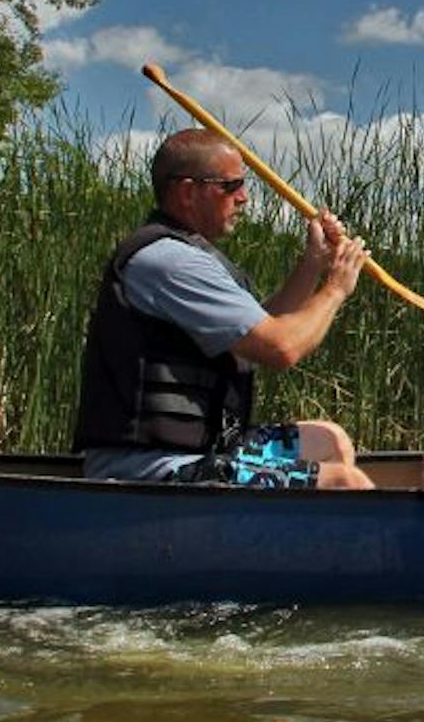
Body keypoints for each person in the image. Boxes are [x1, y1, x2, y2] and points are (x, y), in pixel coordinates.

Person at [75, 128, 375, 489]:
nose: (245, 198)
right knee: (343, 481)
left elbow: (268, 324)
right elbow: (281, 347)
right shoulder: (169, 262)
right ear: (188, 192)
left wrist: (314, 263)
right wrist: (336, 288)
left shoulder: (193, 257)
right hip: (151, 465)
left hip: (205, 449)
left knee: (329, 440)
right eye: (231, 186)